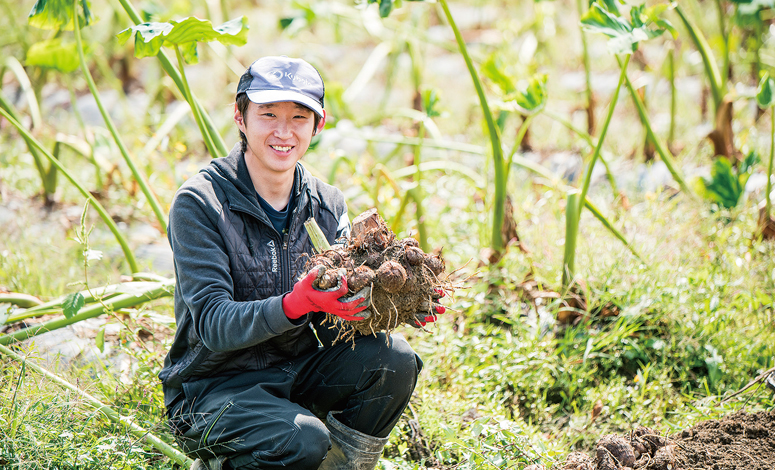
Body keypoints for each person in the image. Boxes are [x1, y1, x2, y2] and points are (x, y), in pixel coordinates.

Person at [159, 56, 444, 470]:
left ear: (319, 124)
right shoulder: (200, 203)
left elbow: (341, 309)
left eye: (298, 117)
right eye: (268, 114)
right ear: (240, 117)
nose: (282, 131)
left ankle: (340, 465)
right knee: (303, 439)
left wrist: (395, 302)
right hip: (212, 389)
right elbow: (214, 326)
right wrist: (295, 304)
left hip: (296, 371)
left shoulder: (327, 204)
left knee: (395, 360)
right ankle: (226, 461)